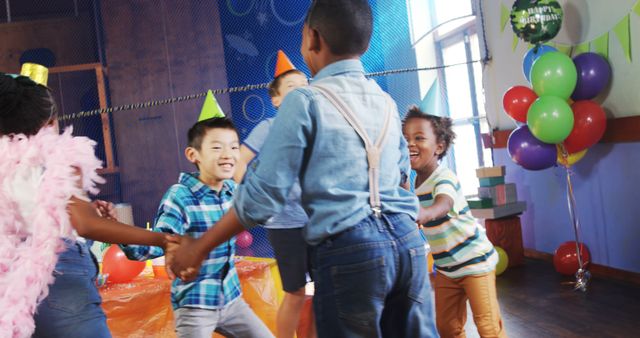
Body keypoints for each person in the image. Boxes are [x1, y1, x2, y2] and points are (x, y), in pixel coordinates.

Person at [166, 1, 438, 337]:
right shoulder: (384, 101)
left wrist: (201, 244)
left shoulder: (306, 101)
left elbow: (264, 194)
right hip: (408, 244)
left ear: (313, 38)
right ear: (365, 44)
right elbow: (399, 175)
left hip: (350, 247)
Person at [0, 72, 173, 338]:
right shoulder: (56, 156)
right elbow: (85, 224)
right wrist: (162, 238)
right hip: (58, 273)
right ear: (50, 122)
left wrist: (83, 207)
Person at [121, 117, 273, 338]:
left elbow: (263, 211)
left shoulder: (232, 190)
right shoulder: (181, 196)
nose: (228, 154)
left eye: (233, 147)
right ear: (194, 155)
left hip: (231, 300)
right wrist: (116, 230)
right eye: (216, 147)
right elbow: (152, 246)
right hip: (196, 305)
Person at [402, 107, 507, 338]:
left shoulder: (444, 177)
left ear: (439, 147)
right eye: (406, 138)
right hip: (447, 269)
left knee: (488, 327)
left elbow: (444, 203)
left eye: (419, 138)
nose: (410, 143)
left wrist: (427, 213)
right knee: (447, 328)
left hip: (474, 262)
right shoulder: (413, 181)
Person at [234, 50, 314, 338]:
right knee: (295, 291)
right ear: (276, 100)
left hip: (319, 219)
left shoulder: (316, 128)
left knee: (325, 289)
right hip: (285, 224)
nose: (301, 93)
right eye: (292, 89)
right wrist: (255, 196)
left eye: (305, 88)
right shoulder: (268, 127)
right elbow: (239, 162)